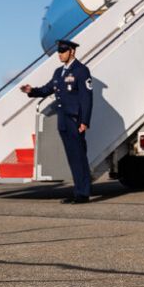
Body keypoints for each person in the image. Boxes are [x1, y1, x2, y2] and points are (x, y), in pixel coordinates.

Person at [19, 39, 94, 204]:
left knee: (79, 156)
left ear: (72, 51)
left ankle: (83, 193)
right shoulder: (58, 72)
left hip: (75, 120)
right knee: (72, 158)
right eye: (58, 51)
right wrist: (31, 91)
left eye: (63, 51)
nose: (59, 54)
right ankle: (79, 191)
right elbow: (47, 89)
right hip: (63, 121)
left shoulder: (81, 71)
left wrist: (84, 121)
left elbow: (86, 98)